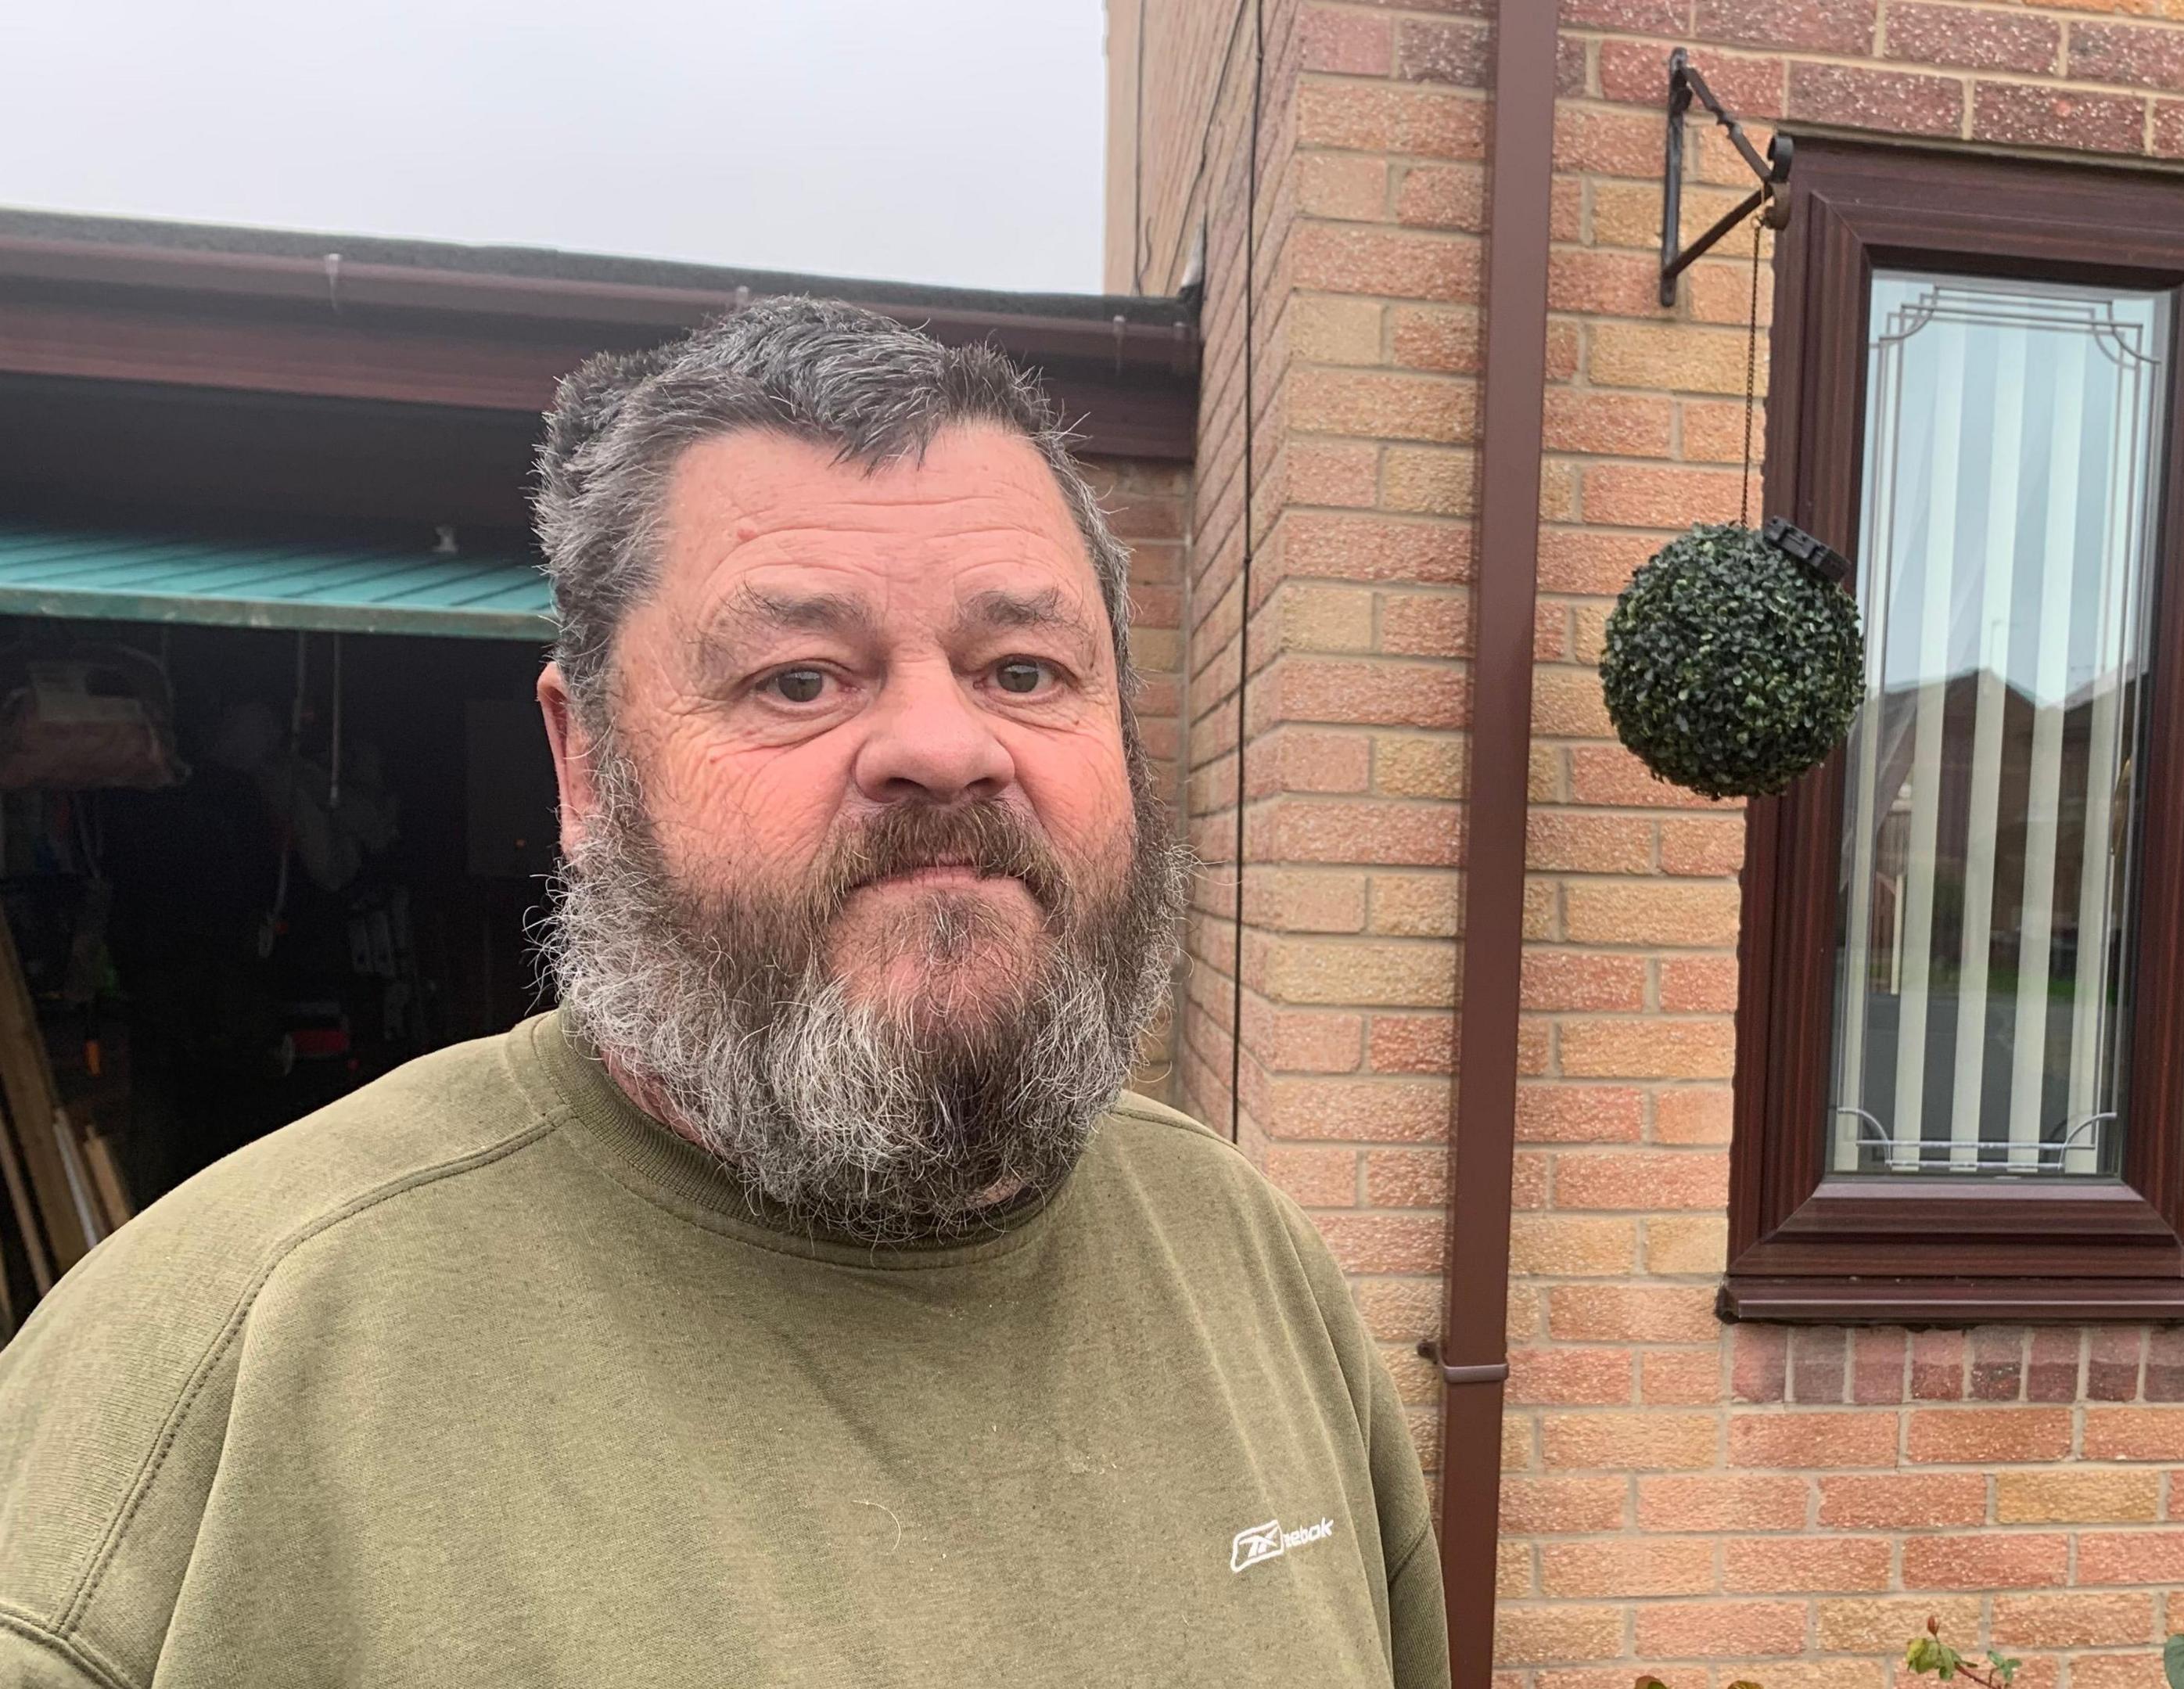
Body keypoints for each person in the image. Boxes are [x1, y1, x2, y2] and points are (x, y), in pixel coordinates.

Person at [0, 299, 1449, 1688]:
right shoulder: (212, 1381)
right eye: (800, 679)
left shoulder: (1251, 1263)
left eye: (1024, 668)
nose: (946, 748)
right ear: (585, 768)